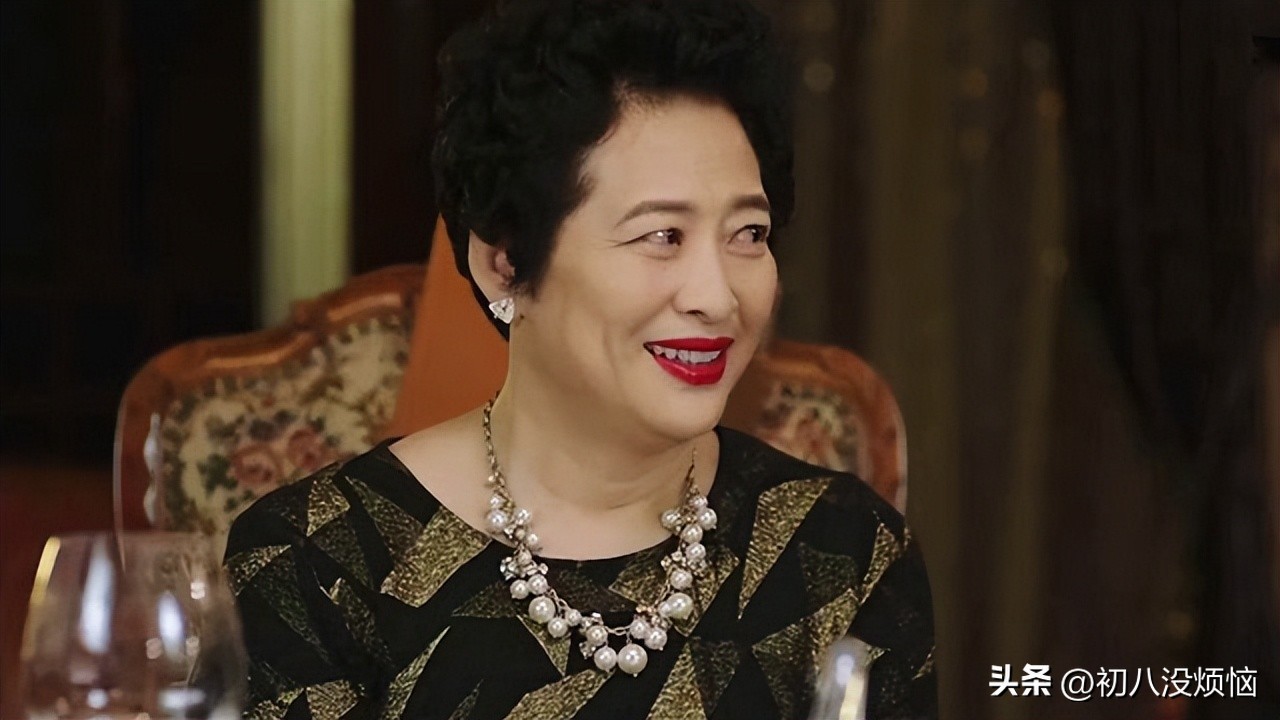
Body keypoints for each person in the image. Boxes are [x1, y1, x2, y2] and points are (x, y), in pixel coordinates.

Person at [224, 0, 936, 717]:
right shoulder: (316, 562)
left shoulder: (844, 553)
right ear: (505, 265)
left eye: (748, 233)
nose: (718, 297)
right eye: (662, 236)